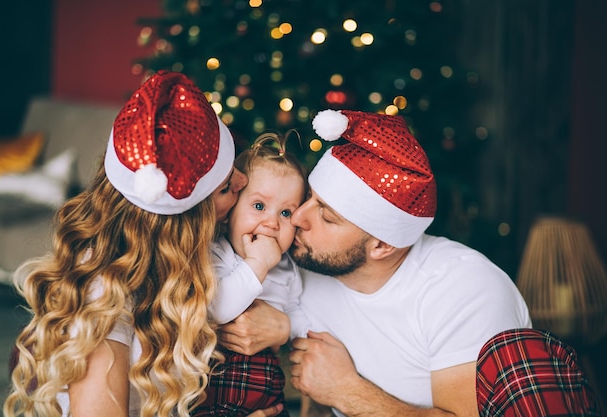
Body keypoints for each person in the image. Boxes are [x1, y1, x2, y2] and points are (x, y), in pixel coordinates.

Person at [2, 70, 283, 417]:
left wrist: (283, 327)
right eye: (226, 187)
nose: (244, 180)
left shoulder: (191, 260)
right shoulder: (104, 294)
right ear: (184, 223)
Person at [219, 109, 533, 417]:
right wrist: (282, 327)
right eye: (309, 197)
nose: (298, 217)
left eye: (326, 216)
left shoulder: (465, 289)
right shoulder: (300, 262)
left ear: (382, 245)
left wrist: (347, 390)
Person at [193, 131, 310, 416]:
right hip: (211, 396)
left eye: (285, 213)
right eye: (259, 206)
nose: (271, 222)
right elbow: (216, 310)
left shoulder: (287, 269)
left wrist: (286, 329)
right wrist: (257, 264)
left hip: (269, 399)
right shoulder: (216, 254)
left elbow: (300, 317)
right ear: (230, 212)